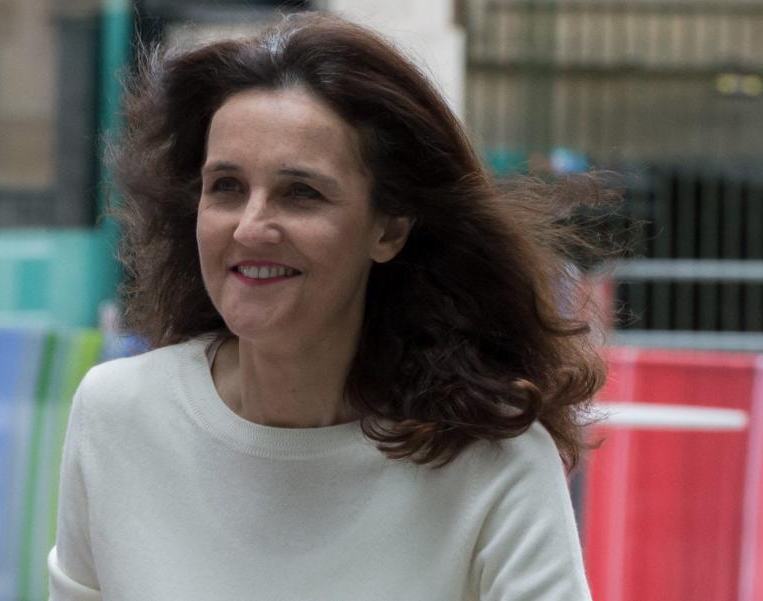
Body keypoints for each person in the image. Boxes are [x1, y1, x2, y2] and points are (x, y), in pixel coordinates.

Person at [48, 11, 607, 601]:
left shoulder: (494, 462)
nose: (250, 227)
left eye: (301, 193)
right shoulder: (115, 416)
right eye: (227, 187)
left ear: (389, 230)